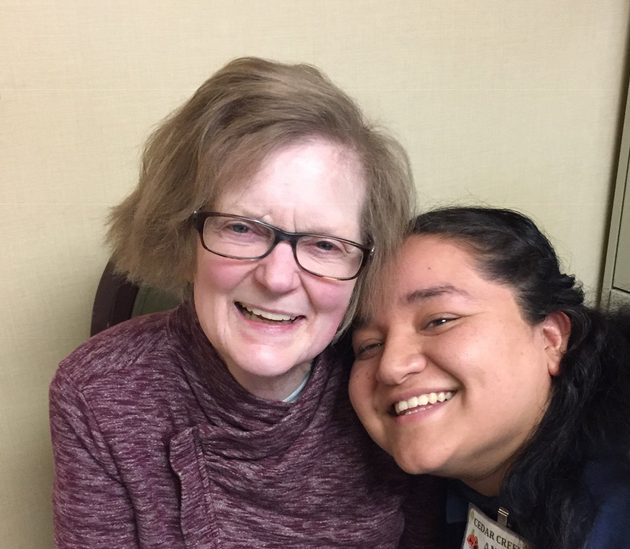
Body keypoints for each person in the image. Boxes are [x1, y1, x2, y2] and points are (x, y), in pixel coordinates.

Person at [49, 57, 441, 548]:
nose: (277, 279)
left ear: (364, 261)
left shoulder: (398, 378)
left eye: (324, 244)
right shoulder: (98, 392)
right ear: (183, 234)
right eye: (241, 227)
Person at [349, 206, 630, 549]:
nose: (391, 366)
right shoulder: (445, 481)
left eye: (440, 320)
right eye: (368, 345)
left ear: (551, 339)